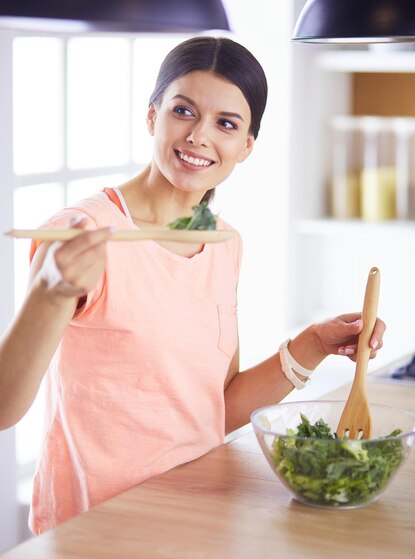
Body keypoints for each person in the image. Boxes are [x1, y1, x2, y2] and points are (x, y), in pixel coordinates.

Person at [0, 36, 385, 534]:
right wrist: (47, 292)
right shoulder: (81, 233)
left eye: (226, 123)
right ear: (152, 116)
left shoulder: (225, 242)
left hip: (196, 522)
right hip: (94, 532)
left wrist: (313, 344)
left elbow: (215, 411)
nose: (200, 136)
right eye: (184, 111)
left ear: (246, 146)